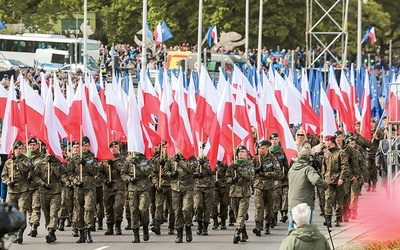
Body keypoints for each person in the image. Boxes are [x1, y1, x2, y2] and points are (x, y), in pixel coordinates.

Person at [287, 149, 328, 230]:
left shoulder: (292, 169)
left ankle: (291, 241)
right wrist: (325, 185)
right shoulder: (308, 169)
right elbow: (315, 180)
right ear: (309, 159)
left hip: (292, 202)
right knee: (305, 227)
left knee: (292, 226)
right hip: (305, 203)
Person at [1, 141, 31, 244]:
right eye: (17, 148)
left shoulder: (26, 160)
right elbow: (3, 176)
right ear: (14, 150)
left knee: (22, 211)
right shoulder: (8, 162)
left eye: (21, 148)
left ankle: (20, 233)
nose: (19, 150)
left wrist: (17, 162)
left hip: (23, 190)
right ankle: (14, 232)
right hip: (12, 191)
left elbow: (26, 170)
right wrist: (9, 182)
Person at [164, 152, 197, 243]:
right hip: (175, 188)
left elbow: (192, 170)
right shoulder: (171, 159)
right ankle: (179, 234)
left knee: (186, 209)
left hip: (187, 188)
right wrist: (171, 174)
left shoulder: (191, 158)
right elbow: (165, 170)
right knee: (177, 211)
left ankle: (188, 227)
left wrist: (180, 162)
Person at [121, 151, 153, 243]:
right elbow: (123, 173)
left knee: (143, 209)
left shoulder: (146, 159)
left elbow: (147, 171)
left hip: (143, 188)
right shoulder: (128, 160)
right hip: (132, 189)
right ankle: (136, 235)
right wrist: (129, 179)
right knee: (133, 211)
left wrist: (137, 164)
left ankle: (145, 228)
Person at [252, 140, 282, 236]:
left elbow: (278, 173)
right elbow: (250, 171)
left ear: (268, 148)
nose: (261, 150)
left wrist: (265, 174)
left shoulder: (273, 159)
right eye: (260, 148)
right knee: (258, 206)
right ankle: (258, 225)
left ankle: (268, 224)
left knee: (269, 208)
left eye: (263, 148)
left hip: (269, 186)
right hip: (258, 186)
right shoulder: (256, 159)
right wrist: (255, 171)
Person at [73, 136, 98, 243]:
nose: (84, 148)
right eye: (82, 145)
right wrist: (75, 181)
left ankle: (88, 232)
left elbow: (95, 171)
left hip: (89, 188)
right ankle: (81, 233)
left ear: (89, 146)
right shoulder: (74, 159)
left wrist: (85, 164)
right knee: (79, 211)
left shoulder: (92, 158)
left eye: (86, 145)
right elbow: (70, 173)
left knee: (88, 208)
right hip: (78, 188)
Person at [226, 146, 253, 244]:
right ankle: (244, 232)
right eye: (239, 152)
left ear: (246, 153)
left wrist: (239, 170)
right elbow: (227, 178)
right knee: (237, 214)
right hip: (233, 193)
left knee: (241, 214)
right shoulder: (232, 165)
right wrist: (232, 180)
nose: (241, 153)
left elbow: (250, 176)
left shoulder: (249, 164)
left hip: (244, 193)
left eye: (243, 152)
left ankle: (237, 233)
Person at [321, 135, 349, 227]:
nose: (326, 143)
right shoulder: (326, 153)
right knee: (328, 199)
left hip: (338, 180)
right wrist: (323, 178)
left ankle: (338, 217)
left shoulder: (341, 153)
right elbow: (323, 167)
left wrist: (341, 178)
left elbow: (345, 167)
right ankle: (328, 218)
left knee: (339, 200)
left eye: (327, 141)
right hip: (328, 179)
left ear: (331, 142)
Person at [99, 141, 126, 235]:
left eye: (115, 147)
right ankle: (109, 226)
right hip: (108, 187)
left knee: (118, 206)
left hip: (119, 186)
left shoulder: (122, 159)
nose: (114, 148)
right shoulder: (104, 160)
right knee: (108, 207)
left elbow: (123, 170)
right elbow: (100, 174)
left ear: (119, 148)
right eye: (112, 147)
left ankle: (118, 225)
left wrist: (113, 163)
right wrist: (105, 181)